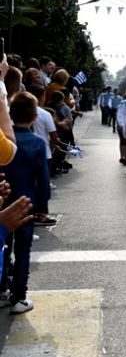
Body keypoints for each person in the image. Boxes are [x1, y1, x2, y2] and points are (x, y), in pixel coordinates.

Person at [0, 92, 50, 314]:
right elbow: (43, 178)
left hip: (3, 201)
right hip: (26, 204)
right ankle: (19, 296)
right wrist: (43, 206)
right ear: (34, 117)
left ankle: (1, 289)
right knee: (23, 251)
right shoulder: (37, 143)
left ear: (10, 113)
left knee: (3, 246)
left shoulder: (5, 140)